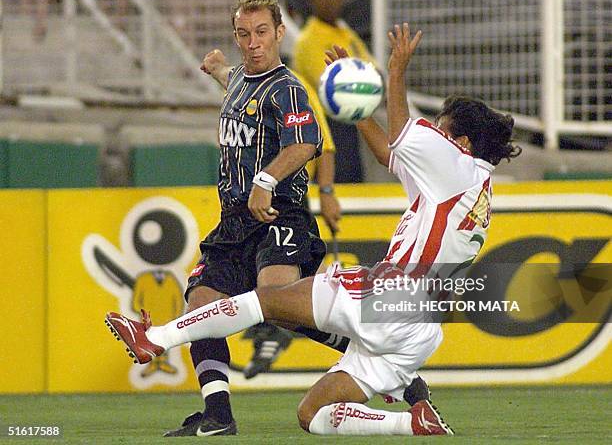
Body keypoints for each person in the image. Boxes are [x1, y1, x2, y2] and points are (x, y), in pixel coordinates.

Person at [106, 22, 521, 436]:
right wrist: (358, 108)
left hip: (390, 296)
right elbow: (387, 153)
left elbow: (400, 134)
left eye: (442, 128)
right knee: (312, 415)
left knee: (267, 300)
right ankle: (412, 422)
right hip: (419, 327)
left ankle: (155, 338)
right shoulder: (468, 183)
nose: (436, 132)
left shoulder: (456, 165)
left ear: (462, 142)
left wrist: (396, 71)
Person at [144, 0, 339, 437]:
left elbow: (306, 142)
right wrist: (215, 69)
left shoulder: (289, 88)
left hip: (278, 214)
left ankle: (373, 353)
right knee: (200, 306)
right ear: (236, 36)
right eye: (244, 34)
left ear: (279, 33)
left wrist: (265, 180)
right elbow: (235, 83)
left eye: (262, 33)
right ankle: (218, 414)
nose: (253, 43)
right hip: (234, 222)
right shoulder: (239, 80)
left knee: (280, 305)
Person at [242, 68, 343, 380]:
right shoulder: (243, 90)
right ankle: (269, 335)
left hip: (288, 202)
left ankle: (272, 335)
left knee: (277, 291)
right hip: (249, 206)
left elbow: (321, 145)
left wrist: (326, 191)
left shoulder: (294, 88)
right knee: (262, 288)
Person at [292, 0, 374, 183]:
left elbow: (374, 72)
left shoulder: (347, 34)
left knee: (352, 185)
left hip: (350, 125)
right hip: (323, 127)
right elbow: (334, 88)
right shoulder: (307, 40)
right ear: (312, 0)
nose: (330, 1)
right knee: (331, 188)